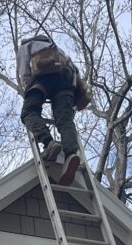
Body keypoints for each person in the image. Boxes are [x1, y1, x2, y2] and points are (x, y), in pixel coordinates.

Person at [16, 35, 90, 185]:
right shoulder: (57, 50)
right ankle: (71, 154)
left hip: (43, 75)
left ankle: (49, 143)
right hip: (67, 79)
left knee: (29, 112)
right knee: (64, 120)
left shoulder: (26, 46)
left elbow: (25, 72)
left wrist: (29, 90)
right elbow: (75, 73)